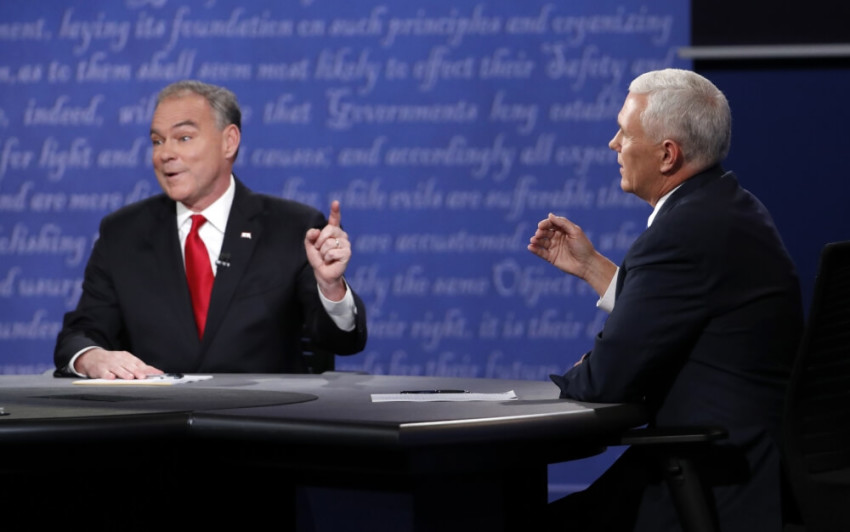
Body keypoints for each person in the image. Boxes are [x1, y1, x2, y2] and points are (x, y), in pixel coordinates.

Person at [528, 69, 803, 531]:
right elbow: (682, 311)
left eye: (624, 132)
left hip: (713, 482)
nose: (613, 144)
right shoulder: (730, 207)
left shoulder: (681, 233)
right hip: (751, 470)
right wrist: (594, 267)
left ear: (667, 154)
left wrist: (581, 370)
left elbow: (605, 381)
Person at [54, 80, 367, 379]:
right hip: (156, 423)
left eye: (184, 138)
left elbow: (343, 342)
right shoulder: (122, 234)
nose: (165, 154)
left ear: (229, 141)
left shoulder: (292, 227)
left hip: (262, 423)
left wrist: (330, 288)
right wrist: (92, 357)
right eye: (157, 141)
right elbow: (81, 333)